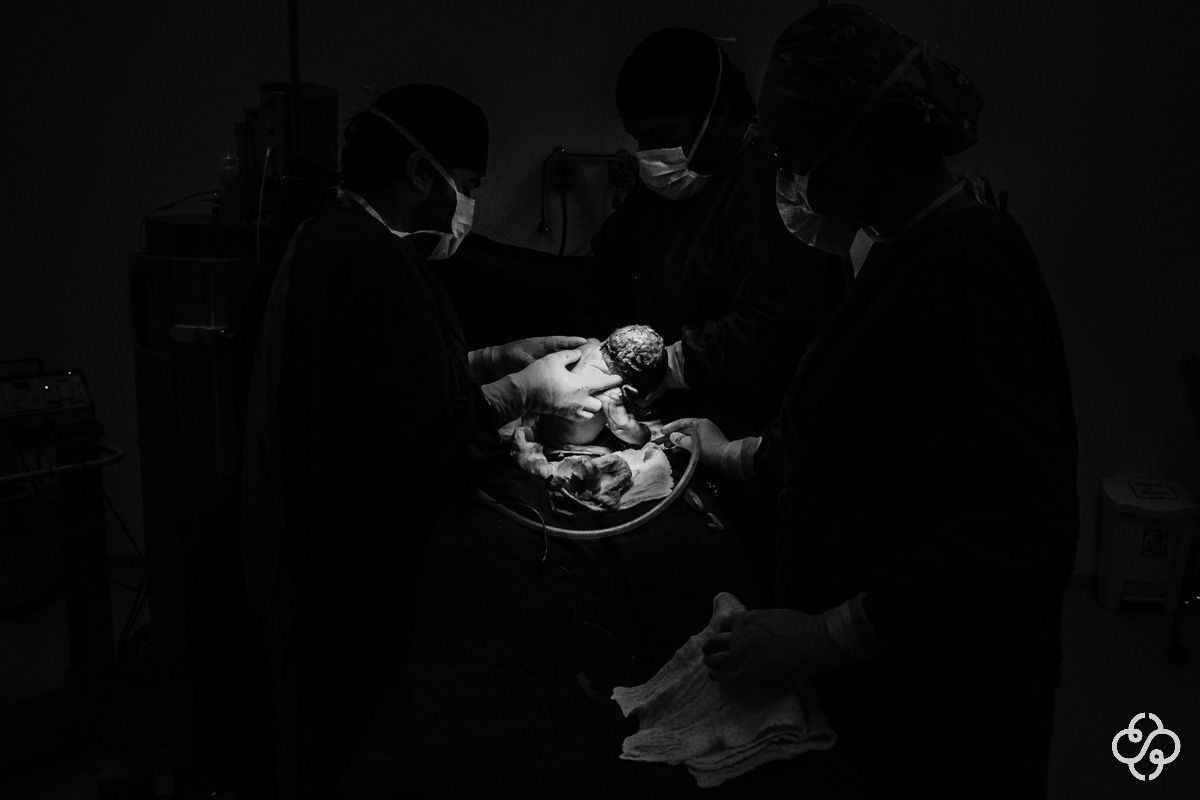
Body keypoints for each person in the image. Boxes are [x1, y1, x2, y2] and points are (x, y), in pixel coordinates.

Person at [662, 6, 1079, 797]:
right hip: (878, 678)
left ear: (864, 142)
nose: (784, 171)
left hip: (943, 707)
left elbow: (1018, 531)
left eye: (794, 152)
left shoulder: (964, 271)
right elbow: (854, 426)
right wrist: (729, 452)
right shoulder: (896, 252)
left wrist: (828, 636)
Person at [239, 83, 621, 799]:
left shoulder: (336, 235)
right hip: (355, 562)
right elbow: (407, 435)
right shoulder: (366, 257)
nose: (467, 207)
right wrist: (523, 393)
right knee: (359, 739)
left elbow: (382, 377)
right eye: (468, 186)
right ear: (421, 175)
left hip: (326, 537)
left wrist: (493, 360)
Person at [591, 27, 850, 441]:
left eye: (662, 137)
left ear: (722, 115)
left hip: (744, 433)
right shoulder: (664, 186)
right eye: (639, 138)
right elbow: (607, 267)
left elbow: (783, 328)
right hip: (664, 420)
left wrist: (674, 364)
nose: (650, 155)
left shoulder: (769, 189)